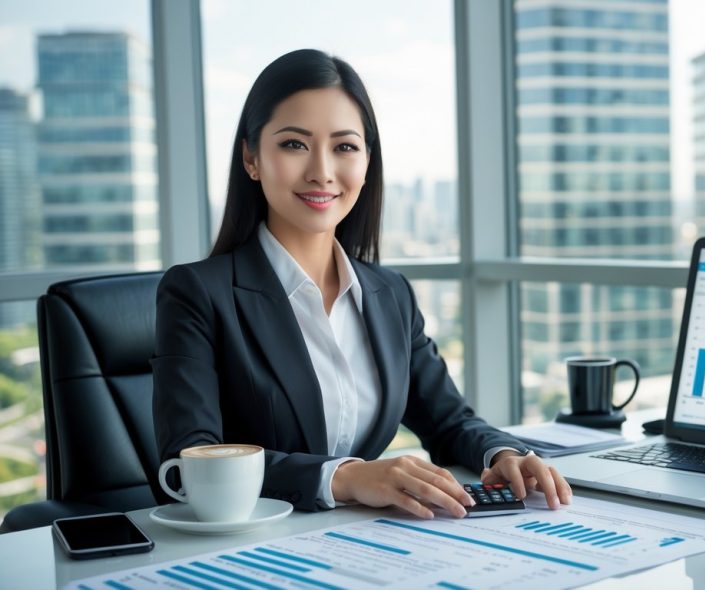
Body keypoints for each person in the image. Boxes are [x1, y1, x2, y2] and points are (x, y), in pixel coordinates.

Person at [153, 49, 572, 519]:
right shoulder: (197, 293)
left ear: (367, 161)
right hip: (251, 545)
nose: (322, 171)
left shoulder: (389, 293)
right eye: (294, 144)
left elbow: (450, 421)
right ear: (251, 158)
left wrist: (503, 455)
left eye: (344, 147)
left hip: (364, 540)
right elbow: (191, 459)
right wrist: (345, 476)